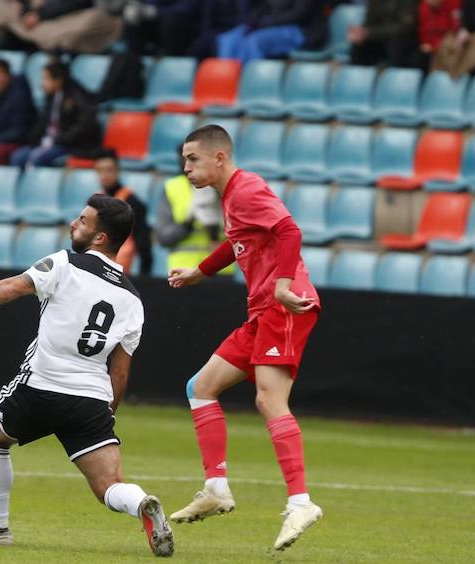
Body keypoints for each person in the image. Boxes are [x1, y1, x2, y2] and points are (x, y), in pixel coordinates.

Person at [0, 194, 174, 557]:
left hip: (40, 386)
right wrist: (107, 413)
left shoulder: (65, 263)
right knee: (108, 485)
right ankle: (140, 504)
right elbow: (120, 371)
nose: (74, 223)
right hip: (91, 400)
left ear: (101, 237)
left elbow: (11, 289)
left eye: (84, 220)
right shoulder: (133, 300)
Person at [167, 125, 322, 552]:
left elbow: (290, 231)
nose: (186, 168)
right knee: (200, 388)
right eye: (184, 160)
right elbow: (236, 244)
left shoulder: (247, 188)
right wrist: (200, 271)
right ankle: (216, 487)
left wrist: (283, 284)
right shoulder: (232, 197)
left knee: (269, 400)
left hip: (284, 305)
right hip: (262, 311)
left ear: (219, 157)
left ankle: (301, 502)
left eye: (193, 159)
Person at [157, 144, 232, 276]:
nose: (188, 164)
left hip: (220, 269)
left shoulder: (223, 185)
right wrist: (188, 224)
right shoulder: (171, 188)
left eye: (194, 158)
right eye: (185, 158)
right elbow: (164, 238)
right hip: (182, 271)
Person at [10, 60, 100, 169]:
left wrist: (61, 138)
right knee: (18, 157)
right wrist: (33, 138)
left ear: (59, 80)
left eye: (46, 78)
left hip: (71, 145)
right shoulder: (51, 96)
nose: (42, 83)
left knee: (38, 158)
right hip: (50, 142)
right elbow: (44, 122)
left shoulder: (78, 96)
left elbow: (84, 124)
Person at [93, 149, 153, 275]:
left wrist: (144, 276)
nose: (104, 174)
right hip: (97, 269)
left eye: (109, 169)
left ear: (117, 170)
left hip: (121, 270)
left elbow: (143, 243)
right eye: (100, 170)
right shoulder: (95, 201)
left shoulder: (132, 202)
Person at [216, 0, 327, 63]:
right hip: (272, 26)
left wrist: (265, 24)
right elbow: (265, 8)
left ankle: (250, 84)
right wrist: (251, 23)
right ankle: (227, 81)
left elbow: (299, 15)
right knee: (229, 39)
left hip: (301, 30)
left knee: (255, 41)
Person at [348, 0, 418, 67]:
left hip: (403, 39)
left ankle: (397, 76)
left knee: (396, 46)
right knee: (359, 45)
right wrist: (361, 32)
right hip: (379, 37)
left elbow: (405, 28)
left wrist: (371, 32)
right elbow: (369, 23)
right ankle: (357, 77)